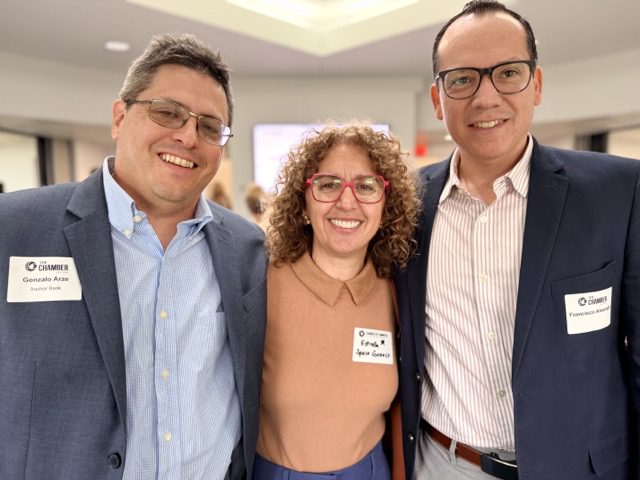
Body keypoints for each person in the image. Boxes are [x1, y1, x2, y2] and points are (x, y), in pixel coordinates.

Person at [0, 32, 267, 480]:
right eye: (167, 112)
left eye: (209, 127)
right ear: (120, 117)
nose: (187, 136)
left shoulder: (247, 250)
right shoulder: (15, 229)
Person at [395, 1, 640, 479]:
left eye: (508, 73)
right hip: (444, 464)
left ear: (537, 84)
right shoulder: (404, 203)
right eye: (462, 79)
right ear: (438, 99)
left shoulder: (618, 192)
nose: (486, 97)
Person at [255, 124, 420, 479]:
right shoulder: (261, 285)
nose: (347, 201)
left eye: (366, 186)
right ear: (303, 202)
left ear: (386, 206)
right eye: (328, 184)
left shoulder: (396, 293)